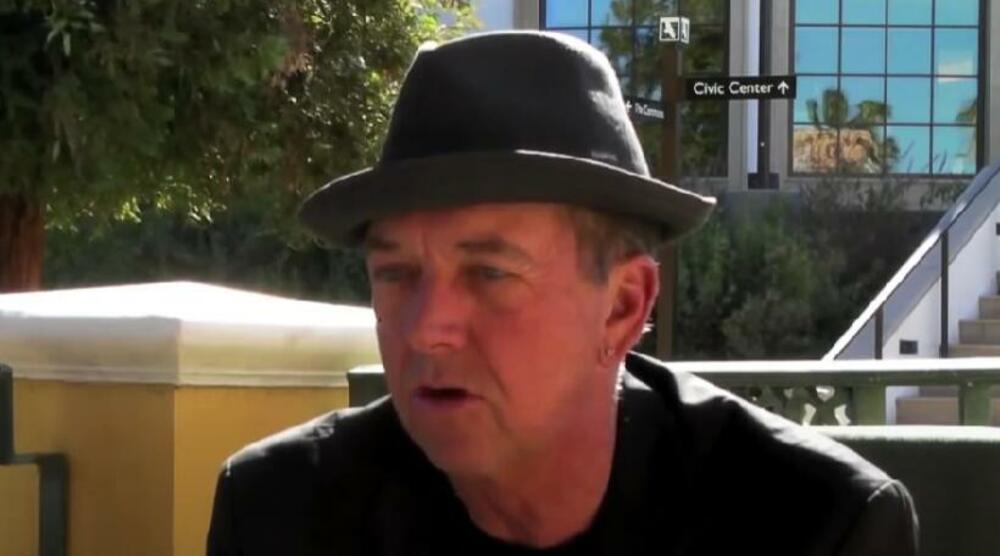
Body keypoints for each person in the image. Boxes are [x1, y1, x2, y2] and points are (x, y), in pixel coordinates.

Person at [207, 31, 918, 555]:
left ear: (623, 306)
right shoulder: (281, 512)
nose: (426, 328)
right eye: (396, 274)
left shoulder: (814, 528)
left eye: (489, 273)